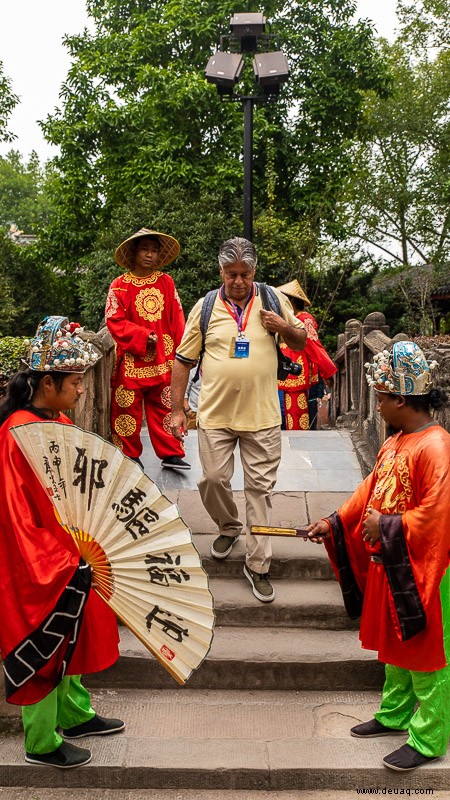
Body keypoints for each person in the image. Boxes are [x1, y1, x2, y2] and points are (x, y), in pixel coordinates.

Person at [306, 341, 450, 772]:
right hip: (394, 563)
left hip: (429, 568)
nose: (379, 406)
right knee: (394, 647)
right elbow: (367, 491)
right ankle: (395, 713)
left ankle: (429, 736)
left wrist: (386, 527)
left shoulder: (437, 447)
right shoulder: (397, 443)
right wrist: (334, 522)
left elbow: (439, 515)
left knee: (427, 654)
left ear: (402, 398)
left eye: (383, 398)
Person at [0, 316, 124, 769]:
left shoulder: (58, 419)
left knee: (72, 630)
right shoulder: (17, 433)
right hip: (35, 559)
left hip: (68, 547)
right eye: (74, 382)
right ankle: (40, 741)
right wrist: (54, 562)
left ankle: (73, 714)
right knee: (45, 640)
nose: (82, 390)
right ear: (47, 382)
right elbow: (15, 516)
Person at [170, 237, 306, 602]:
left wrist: (284, 327)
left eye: (245, 274)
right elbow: (183, 360)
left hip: (262, 416)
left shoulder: (274, 300)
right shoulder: (206, 306)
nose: (239, 281)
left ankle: (258, 564)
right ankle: (229, 525)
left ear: (254, 272)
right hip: (214, 414)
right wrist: (177, 408)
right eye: (232, 274)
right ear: (221, 272)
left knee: (259, 491)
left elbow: (302, 343)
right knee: (212, 479)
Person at [105, 228, 190, 471]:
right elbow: (114, 320)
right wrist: (143, 336)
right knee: (126, 408)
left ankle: (172, 453)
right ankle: (128, 454)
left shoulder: (166, 281)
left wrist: (182, 354)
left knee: (165, 405)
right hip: (132, 359)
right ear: (134, 252)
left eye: (154, 251)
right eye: (145, 249)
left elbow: (178, 318)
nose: (150, 255)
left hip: (164, 359)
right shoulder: (119, 286)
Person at [276, 280, 337, 430]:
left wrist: (327, 371)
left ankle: (298, 441)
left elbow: (314, 346)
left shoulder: (304, 319)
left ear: (291, 301)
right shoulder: (285, 317)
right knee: (288, 412)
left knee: (297, 413)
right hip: (284, 368)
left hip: (296, 368)